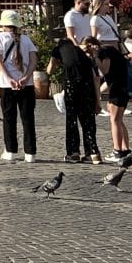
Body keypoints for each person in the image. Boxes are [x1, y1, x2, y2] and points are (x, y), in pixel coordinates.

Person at [0, 10, 38, 162]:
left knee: (9, 118)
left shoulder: (0, 37)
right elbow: (33, 61)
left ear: (4, 25)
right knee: (28, 119)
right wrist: (25, 77)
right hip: (27, 85)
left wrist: (9, 78)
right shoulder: (26, 39)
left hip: (7, 85)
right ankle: (30, 153)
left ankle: (10, 150)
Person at [49, 30, 99, 164]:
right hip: (87, 86)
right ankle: (93, 153)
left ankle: (73, 153)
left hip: (72, 85)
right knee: (88, 120)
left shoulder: (58, 49)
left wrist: (58, 63)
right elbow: (95, 76)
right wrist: (98, 102)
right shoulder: (79, 51)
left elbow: (49, 70)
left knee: (72, 120)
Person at [95, 31, 132, 163]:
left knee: (115, 120)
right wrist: (99, 93)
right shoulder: (117, 56)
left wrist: (96, 59)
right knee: (119, 120)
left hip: (118, 91)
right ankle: (125, 148)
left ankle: (117, 150)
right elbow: (109, 79)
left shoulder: (105, 53)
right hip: (119, 90)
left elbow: (105, 71)